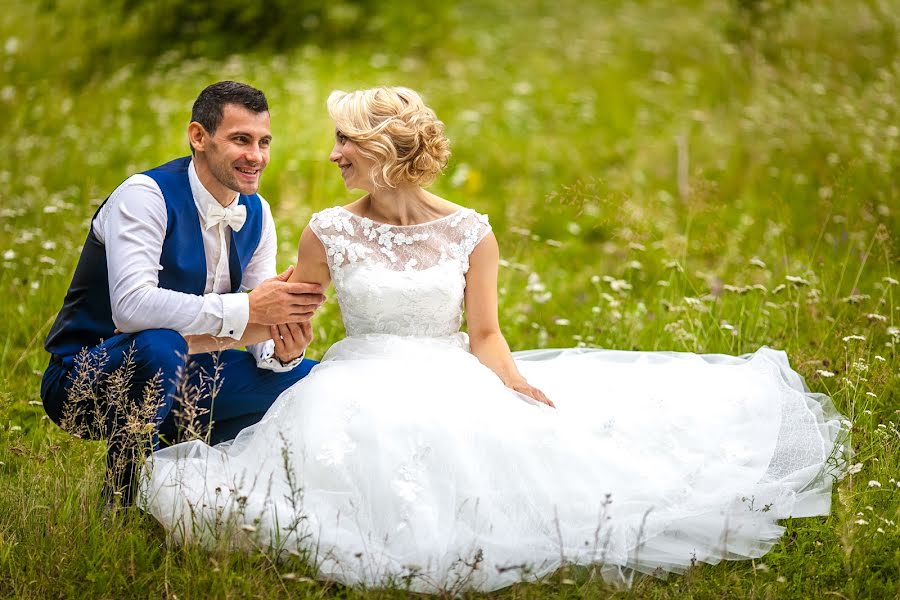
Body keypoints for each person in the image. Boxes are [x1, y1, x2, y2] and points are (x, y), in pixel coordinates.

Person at [141, 87, 847, 592]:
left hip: (449, 371)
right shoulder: (328, 229)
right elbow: (292, 331)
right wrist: (285, 347)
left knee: (516, 455)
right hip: (354, 377)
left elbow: (485, 334)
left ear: (385, 151)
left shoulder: (471, 231)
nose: (331, 156)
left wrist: (513, 386)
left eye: (345, 143)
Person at [41, 81, 326, 507]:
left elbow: (263, 319)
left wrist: (282, 349)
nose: (257, 156)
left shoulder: (257, 212)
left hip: (190, 376)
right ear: (198, 137)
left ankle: (206, 489)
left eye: (264, 142)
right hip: (87, 378)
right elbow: (132, 307)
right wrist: (247, 309)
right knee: (160, 343)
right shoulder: (144, 196)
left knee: (311, 383)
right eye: (241, 139)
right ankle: (121, 496)